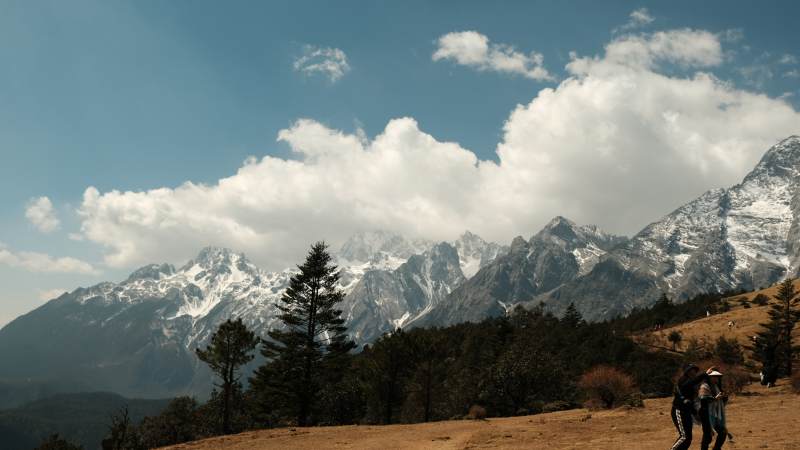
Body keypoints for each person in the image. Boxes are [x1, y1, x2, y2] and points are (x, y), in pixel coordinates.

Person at [671, 363, 709, 450]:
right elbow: (688, 385)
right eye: (691, 370)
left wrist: (695, 413)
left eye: (694, 370)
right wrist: (703, 374)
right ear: (687, 372)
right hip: (679, 411)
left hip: (687, 412)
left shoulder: (693, 385)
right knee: (684, 437)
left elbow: (691, 401)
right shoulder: (683, 381)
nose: (694, 372)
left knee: (688, 438)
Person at [698, 369, 729, 450]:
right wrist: (715, 398)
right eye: (714, 377)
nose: (716, 379)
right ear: (709, 377)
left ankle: (716, 448)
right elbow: (703, 399)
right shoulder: (704, 386)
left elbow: (722, 401)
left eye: (717, 377)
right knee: (707, 437)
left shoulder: (717, 387)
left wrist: (724, 397)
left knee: (722, 432)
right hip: (706, 414)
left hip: (715, 414)